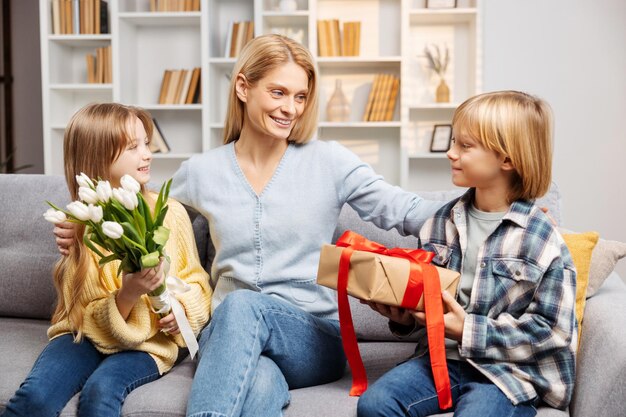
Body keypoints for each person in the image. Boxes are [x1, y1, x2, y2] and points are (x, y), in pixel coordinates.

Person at [52, 34, 445, 417]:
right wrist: (86, 223)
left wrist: (494, 208)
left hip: (313, 339)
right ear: (243, 87)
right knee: (258, 384)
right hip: (229, 339)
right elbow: (144, 212)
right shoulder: (202, 172)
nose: (291, 107)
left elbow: (407, 210)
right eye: (278, 92)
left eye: (300, 96)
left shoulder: (330, 162)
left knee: (242, 306)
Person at [357, 91, 578, 417]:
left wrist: (468, 330)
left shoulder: (542, 238)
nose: (450, 153)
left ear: (507, 159)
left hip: (507, 373)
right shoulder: (439, 223)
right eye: (453, 141)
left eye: (464, 145)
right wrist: (403, 320)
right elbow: (431, 305)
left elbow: (552, 332)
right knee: (375, 405)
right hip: (440, 359)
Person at [2, 103, 212, 417]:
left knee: (101, 393)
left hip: (151, 341)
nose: (147, 154)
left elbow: (197, 281)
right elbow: (86, 315)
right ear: (97, 157)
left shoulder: (169, 212)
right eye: (133, 147)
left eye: (146, 143)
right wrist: (128, 294)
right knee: (36, 398)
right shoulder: (81, 225)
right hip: (82, 335)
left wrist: (181, 309)